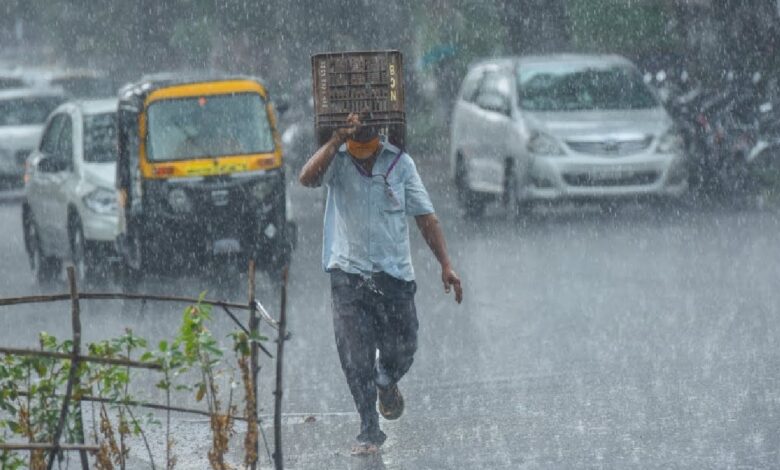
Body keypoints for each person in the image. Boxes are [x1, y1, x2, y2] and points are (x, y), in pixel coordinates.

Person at [299, 112, 463, 455]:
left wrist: (445, 264)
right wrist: (334, 141)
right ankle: (369, 429)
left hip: (394, 276)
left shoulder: (400, 164)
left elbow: (425, 216)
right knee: (355, 357)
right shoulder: (337, 161)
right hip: (349, 275)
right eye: (354, 119)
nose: (361, 123)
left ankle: (387, 380)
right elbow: (307, 178)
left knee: (404, 347)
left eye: (367, 117)